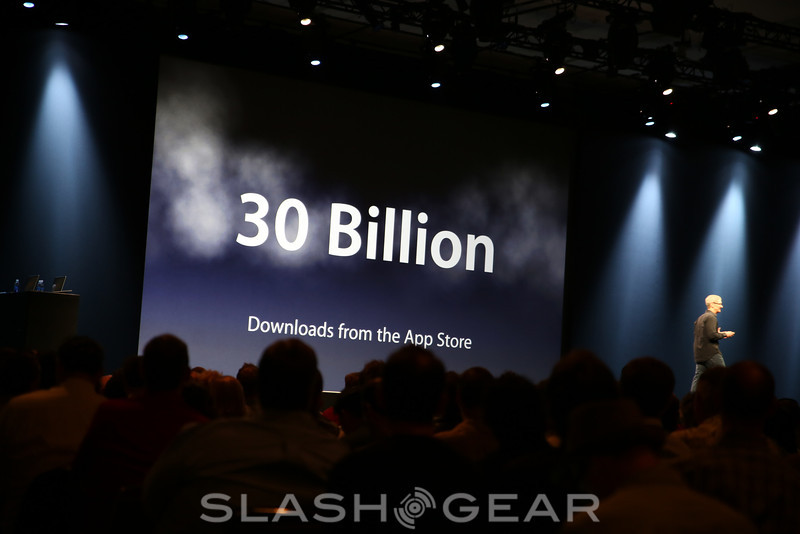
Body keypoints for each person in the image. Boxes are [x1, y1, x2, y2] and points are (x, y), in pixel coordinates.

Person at [691, 294, 735, 392]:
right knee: (724, 375)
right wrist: (725, 334)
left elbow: (704, 335)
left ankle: (692, 398)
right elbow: (711, 336)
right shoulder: (711, 317)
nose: (721, 306)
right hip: (710, 354)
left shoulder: (701, 318)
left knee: (698, 378)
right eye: (719, 304)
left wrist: (718, 334)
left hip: (699, 354)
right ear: (712, 304)